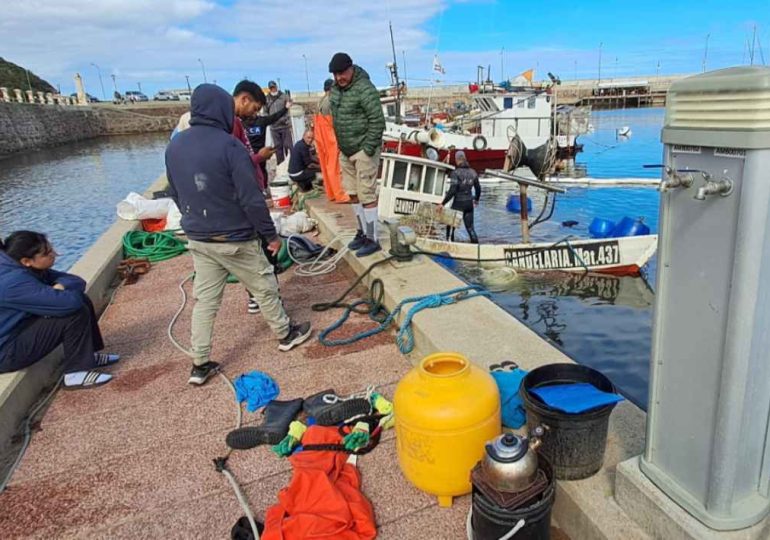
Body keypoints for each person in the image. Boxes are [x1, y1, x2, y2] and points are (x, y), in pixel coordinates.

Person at [165, 84, 312, 386]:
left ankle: (199, 362)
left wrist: (194, 220)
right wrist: (270, 235)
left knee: (205, 301)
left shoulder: (175, 146)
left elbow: (175, 192)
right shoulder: (229, 146)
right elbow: (251, 198)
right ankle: (285, 334)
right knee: (264, 285)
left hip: (199, 239)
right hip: (235, 236)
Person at [0, 231, 118, 389]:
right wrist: (59, 292)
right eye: (47, 253)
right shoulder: (12, 281)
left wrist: (61, 286)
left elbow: (76, 281)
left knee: (79, 299)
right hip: (6, 352)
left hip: (18, 330)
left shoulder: (17, 265)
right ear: (27, 261)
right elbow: (70, 303)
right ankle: (76, 374)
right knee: (73, 311)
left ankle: (89, 356)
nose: (55, 254)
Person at [328, 52, 386, 257]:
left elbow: (377, 121)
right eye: (335, 74)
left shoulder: (365, 89)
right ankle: (361, 232)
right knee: (352, 193)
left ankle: (373, 239)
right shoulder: (336, 89)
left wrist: (367, 149)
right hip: (346, 150)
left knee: (367, 194)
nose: (338, 78)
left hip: (363, 150)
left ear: (351, 69)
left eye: (341, 73)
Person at [244, 92, 292, 184]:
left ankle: (263, 188)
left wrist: (285, 108)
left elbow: (274, 117)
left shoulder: (261, 121)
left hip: (261, 154)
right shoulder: (241, 123)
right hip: (250, 154)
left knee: (261, 172)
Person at [438, 150, 480, 243]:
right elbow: (478, 188)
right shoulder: (473, 172)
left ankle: (449, 243)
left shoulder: (455, 173)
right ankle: (476, 248)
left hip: (458, 204)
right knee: (470, 228)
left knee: (451, 226)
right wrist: (476, 199)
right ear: (465, 159)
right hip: (469, 204)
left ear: (457, 160)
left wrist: (442, 203)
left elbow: (452, 190)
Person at [265, 81, 293, 164]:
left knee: (288, 147)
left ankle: (291, 165)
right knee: (278, 149)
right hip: (274, 128)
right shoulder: (267, 99)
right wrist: (269, 120)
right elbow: (265, 111)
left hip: (285, 126)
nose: (273, 89)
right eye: (271, 88)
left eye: (274, 87)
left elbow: (289, 105)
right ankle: (280, 166)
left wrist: (287, 119)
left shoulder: (284, 96)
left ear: (276, 87)